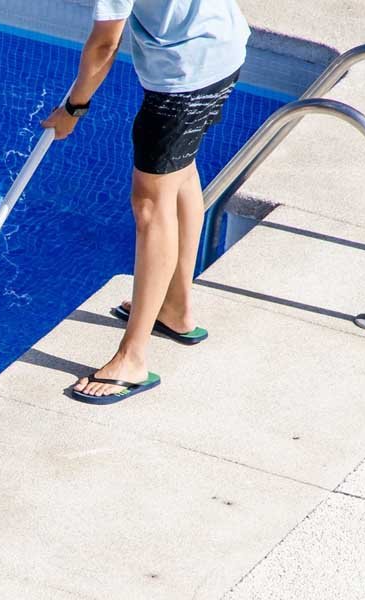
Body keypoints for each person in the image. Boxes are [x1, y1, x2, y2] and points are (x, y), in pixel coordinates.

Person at [42, 0, 250, 404]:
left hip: (184, 77)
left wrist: (74, 108)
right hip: (221, 49)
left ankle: (132, 358)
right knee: (180, 172)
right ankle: (175, 308)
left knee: (150, 205)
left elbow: (105, 44)